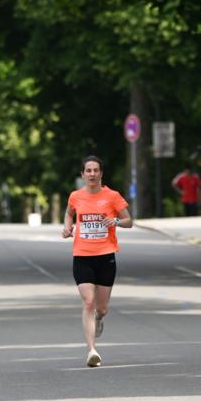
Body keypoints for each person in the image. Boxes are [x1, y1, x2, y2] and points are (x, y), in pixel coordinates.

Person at [62, 155, 132, 367]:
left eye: (95, 170)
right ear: (83, 174)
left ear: (101, 173)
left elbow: (129, 221)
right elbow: (69, 213)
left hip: (105, 256)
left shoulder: (112, 196)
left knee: (101, 308)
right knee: (88, 302)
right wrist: (68, 227)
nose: (92, 174)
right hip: (82, 255)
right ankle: (91, 350)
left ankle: (99, 318)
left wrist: (116, 221)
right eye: (88, 170)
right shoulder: (75, 196)